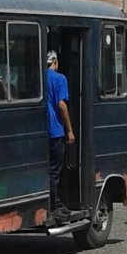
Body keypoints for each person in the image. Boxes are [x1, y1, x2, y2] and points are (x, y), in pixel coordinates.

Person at [46, 50, 75, 221]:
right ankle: (54, 206)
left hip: (40, 131)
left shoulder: (38, 77)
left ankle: (54, 202)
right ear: (55, 62)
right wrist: (69, 129)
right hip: (56, 131)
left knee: (47, 170)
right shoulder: (59, 79)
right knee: (55, 171)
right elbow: (61, 104)